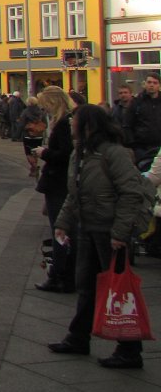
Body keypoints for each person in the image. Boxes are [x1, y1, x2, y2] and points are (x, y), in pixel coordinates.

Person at [50, 104, 145, 369]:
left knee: (120, 291)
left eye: (75, 121)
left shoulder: (112, 153)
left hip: (109, 232)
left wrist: (120, 233)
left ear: (88, 125)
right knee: (86, 287)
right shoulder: (79, 154)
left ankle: (130, 349)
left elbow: (131, 193)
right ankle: (78, 338)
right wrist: (63, 223)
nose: (71, 124)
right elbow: (74, 193)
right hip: (87, 229)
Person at [31, 87, 77, 292]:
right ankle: (64, 274)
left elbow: (65, 155)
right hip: (61, 182)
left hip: (59, 183)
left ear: (53, 102)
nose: (43, 109)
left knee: (60, 228)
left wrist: (44, 153)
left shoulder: (63, 124)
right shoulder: (67, 121)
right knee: (63, 228)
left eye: (44, 104)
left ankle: (60, 275)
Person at [129, 72, 161, 166]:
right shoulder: (137, 102)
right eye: (149, 82)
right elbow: (128, 124)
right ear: (145, 84)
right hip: (141, 147)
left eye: (155, 83)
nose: (151, 85)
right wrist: (132, 144)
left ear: (159, 85)